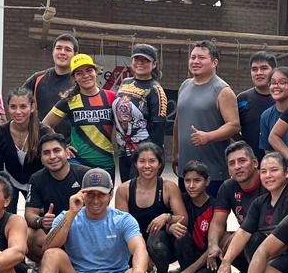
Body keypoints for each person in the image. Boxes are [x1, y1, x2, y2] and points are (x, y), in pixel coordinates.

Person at [31, 168, 147, 273]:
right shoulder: (67, 216)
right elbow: (47, 246)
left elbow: (139, 247)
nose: (95, 200)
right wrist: (72, 213)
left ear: (110, 194)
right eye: (90, 194)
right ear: (81, 194)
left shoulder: (123, 219)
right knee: (52, 254)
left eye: (101, 194)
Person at [216, 151, 288, 273]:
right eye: (264, 172)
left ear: (287, 172)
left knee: (262, 270)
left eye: (274, 170)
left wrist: (259, 265)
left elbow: (285, 242)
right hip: (269, 256)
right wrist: (226, 262)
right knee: (246, 238)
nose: (268, 175)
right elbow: (243, 232)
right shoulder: (260, 202)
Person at [115, 143, 187, 273]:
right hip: (134, 243)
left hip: (162, 244)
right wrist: (141, 253)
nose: (147, 166)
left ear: (160, 164)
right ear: (135, 164)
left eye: (152, 161)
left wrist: (167, 217)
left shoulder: (168, 187)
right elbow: (121, 227)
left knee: (159, 237)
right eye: (142, 161)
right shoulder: (124, 190)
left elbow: (183, 218)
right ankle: (142, 267)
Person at [173, 41, 239, 195]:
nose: (195, 61)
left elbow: (234, 125)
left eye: (201, 58)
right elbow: (178, 122)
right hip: (186, 170)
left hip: (212, 173)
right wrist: (176, 153)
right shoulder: (185, 85)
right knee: (185, 209)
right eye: (193, 57)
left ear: (214, 62)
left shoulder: (223, 90)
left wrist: (209, 136)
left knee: (212, 210)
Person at [42, 53, 117, 176]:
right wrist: (62, 146)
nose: (85, 76)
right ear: (74, 78)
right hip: (77, 164)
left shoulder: (112, 97)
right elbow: (45, 124)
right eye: (79, 73)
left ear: (96, 72)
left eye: (89, 70)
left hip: (106, 164)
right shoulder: (70, 101)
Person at [206, 141, 265, 273]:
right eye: (232, 163)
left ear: (255, 163)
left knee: (252, 238)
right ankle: (247, 272)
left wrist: (239, 234)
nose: (237, 166)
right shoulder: (228, 187)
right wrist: (213, 245)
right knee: (220, 238)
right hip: (245, 235)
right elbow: (217, 223)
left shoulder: (268, 181)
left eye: (242, 161)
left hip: (269, 238)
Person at [25, 133, 90, 260]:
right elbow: (29, 214)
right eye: (46, 153)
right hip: (54, 234)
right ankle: (45, 265)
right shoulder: (36, 179)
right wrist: (41, 221)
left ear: (67, 153)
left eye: (56, 150)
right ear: (41, 158)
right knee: (27, 233)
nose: (52, 156)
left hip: (83, 231)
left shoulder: (85, 174)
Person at [0, 88, 52, 213]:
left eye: (23, 106)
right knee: (5, 216)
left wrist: (65, 147)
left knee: (37, 218)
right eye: (13, 107)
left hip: (37, 182)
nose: (18, 112)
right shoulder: (0, 133)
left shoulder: (44, 132)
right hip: (10, 180)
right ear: (7, 108)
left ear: (32, 107)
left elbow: (52, 157)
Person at [114, 44, 169, 182]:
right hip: (123, 151)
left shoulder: (156, 90)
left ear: (154, 64)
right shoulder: (125, 82)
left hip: (143, 156)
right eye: (137, 59)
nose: (140, 63)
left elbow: (159, 129)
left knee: (139, 190)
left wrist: (153, 158)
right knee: (126, 189)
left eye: (145, 60)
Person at [171, 160, 219, 273]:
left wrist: (191, 270)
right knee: (180, 233)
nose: (191, 186)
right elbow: (171, 226)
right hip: (187, 256)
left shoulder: (215, 206)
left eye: (197, 180)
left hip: (208, 259)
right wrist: (170, 227)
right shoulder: (180, 201)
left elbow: (217, 242)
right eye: (187, 181)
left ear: (207, 181)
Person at [23, 33, 78, 125]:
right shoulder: (37, 79)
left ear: (75, 55)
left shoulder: (80, 81)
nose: (62, 52)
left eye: (67, 50)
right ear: (53, 52)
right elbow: (18, 102)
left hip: (72, 134)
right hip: (41, 133)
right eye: (58, 48)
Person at [237, 51, 277, 160]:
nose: (259, 73)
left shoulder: (283, 98)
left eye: (264, 68)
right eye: (254, 69)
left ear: (274, 71)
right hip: (250, 161)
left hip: (279, 161)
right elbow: (233, 127)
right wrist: (245, 146)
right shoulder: (242, 99)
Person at [259, 66, 288, 156]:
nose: (276, 86)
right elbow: (268, 152)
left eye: (282, 82)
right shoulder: (266, 115)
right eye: (273, 83)